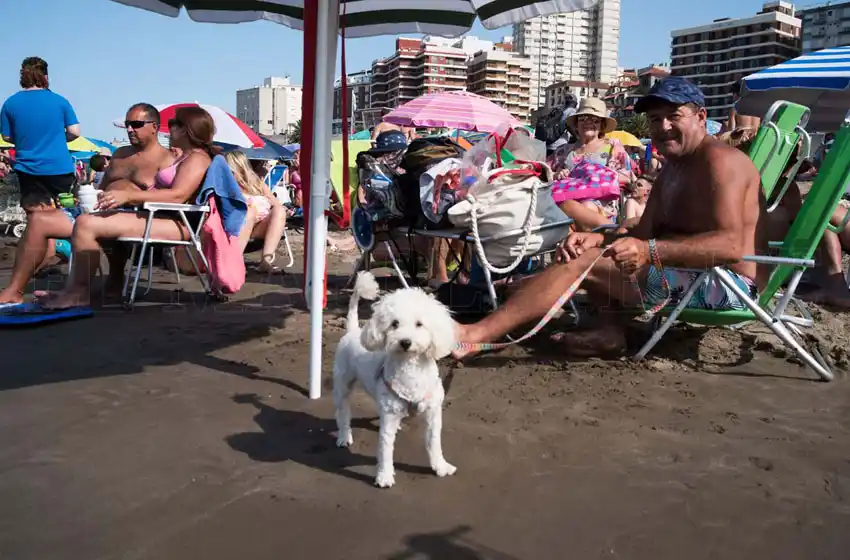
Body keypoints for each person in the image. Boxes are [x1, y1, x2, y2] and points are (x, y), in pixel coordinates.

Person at [454, 77, 766, 359]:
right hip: (691, 275)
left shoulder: (721, 163)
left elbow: (731, 246)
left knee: (583, 263)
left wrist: (648, 251)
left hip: (728, 289)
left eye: (674, 116)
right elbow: (643, 232)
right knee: (591, 250)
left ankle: (475, 335)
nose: (664, 127)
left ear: (700, 116)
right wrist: (600, 237)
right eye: (655, 119)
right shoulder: (674, 167)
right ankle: (609, 333)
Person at [37, 106, 217, 310]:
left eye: (174, 124)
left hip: (178, 224)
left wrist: (129, 195)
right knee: (93, 221)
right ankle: (76, 290)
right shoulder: (187, 156)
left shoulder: (197, 159)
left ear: (186, 130)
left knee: (86, 224)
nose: (169, 128)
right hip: (161, 217)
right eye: (128, 125)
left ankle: (78, 293)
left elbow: (178, 196)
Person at [0, 102, 175, 305]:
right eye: (127, 124)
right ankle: (14, 290)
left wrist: (129, 196)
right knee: (39, 219)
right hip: (96, 210)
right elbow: (104, 186)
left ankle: (107, 282)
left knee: (100, 222)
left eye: (136, 124)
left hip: (131, 218)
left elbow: (168, 198)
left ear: (154, 126)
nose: (129, 129)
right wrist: (83, 196)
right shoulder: (120, 154)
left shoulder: (166, 160)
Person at [0, 57, 81, 213]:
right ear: (46, 77)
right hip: (59, 168)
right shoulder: (60, 101)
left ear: (22, 76)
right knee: (65, 213)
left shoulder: (10, 103)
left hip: (28, 170)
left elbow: (6, 137)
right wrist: (56, 138)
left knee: (36, 217)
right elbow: (74, 132)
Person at [550, 97, 633, 231]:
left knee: (587, 206)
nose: (588, 123)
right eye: (583, 119)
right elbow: (547, 176)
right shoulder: (563, 151)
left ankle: (610, 234)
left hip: (601, 207)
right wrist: (558, 174)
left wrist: (598, 175)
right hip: (565, 203)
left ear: (602, 125)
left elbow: (627, 178)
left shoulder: (612, 146)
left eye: (595, 120)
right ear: (576, 124)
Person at [226, 151, 288, 273]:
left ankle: (266, 261)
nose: (229, 174)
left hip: (258, 227)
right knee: (249, 212)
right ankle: (234, 264)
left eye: (232, 171)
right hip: (238, 226)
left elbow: (275, 203)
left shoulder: (256, 183)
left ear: (241, 169)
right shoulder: (226, 186)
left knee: (279, 211)